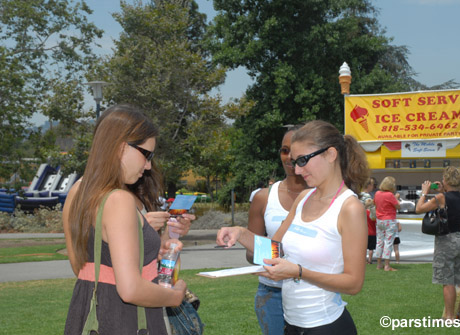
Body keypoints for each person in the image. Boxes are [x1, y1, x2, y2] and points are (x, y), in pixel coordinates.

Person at [217, 120, 370, 334]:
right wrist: (240, 233)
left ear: (331, 154)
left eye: (303, 160)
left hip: (326, 327)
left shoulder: (349, 208)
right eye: (295, 162)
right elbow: (273, 250)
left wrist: (298, 272)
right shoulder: (304, 198)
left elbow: (353, 284)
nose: (297, 170)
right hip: (293, 326)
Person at [63, 104, 188, 334]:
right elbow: (130, 289)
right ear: (121, 147)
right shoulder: (119, 200)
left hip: (89, 315)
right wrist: (175, 296)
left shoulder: (78, 193)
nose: (149, 165)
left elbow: (83, 267)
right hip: (125, 320)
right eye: (146, 154)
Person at [246, 125, 308, 335]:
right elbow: (250, 253)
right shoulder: (264, 197)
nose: (290, 157)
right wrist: (273, 255)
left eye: (297, 151)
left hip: (312, 292)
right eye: (284, 150)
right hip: (271, 294)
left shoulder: (325, 197)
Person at [415, 166, 460, 322]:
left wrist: (425, 192)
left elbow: (419, 209)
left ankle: (449, 316)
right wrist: (442, 190)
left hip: (446, 240)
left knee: (447, 280)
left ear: (446, 180)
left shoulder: (441, 197)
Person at [373, 176, 401, 271]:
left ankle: (379, 264)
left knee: (379, 242)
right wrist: (396, 198)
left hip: (379, 220)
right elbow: (398, 207)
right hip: (389, 220)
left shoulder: (377, 193)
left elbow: (375, 204)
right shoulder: (390, 195)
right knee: (388, 243)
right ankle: (387, 265)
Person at [360, 179, 376, 264]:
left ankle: (363, 259)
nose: (373, 187)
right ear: (369, 185)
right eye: (372, 185)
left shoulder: (358, 195)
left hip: (360, 224)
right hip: (367, 224)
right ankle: (368, 260)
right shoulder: (367, 197)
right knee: (370, 247)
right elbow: (371, 211)